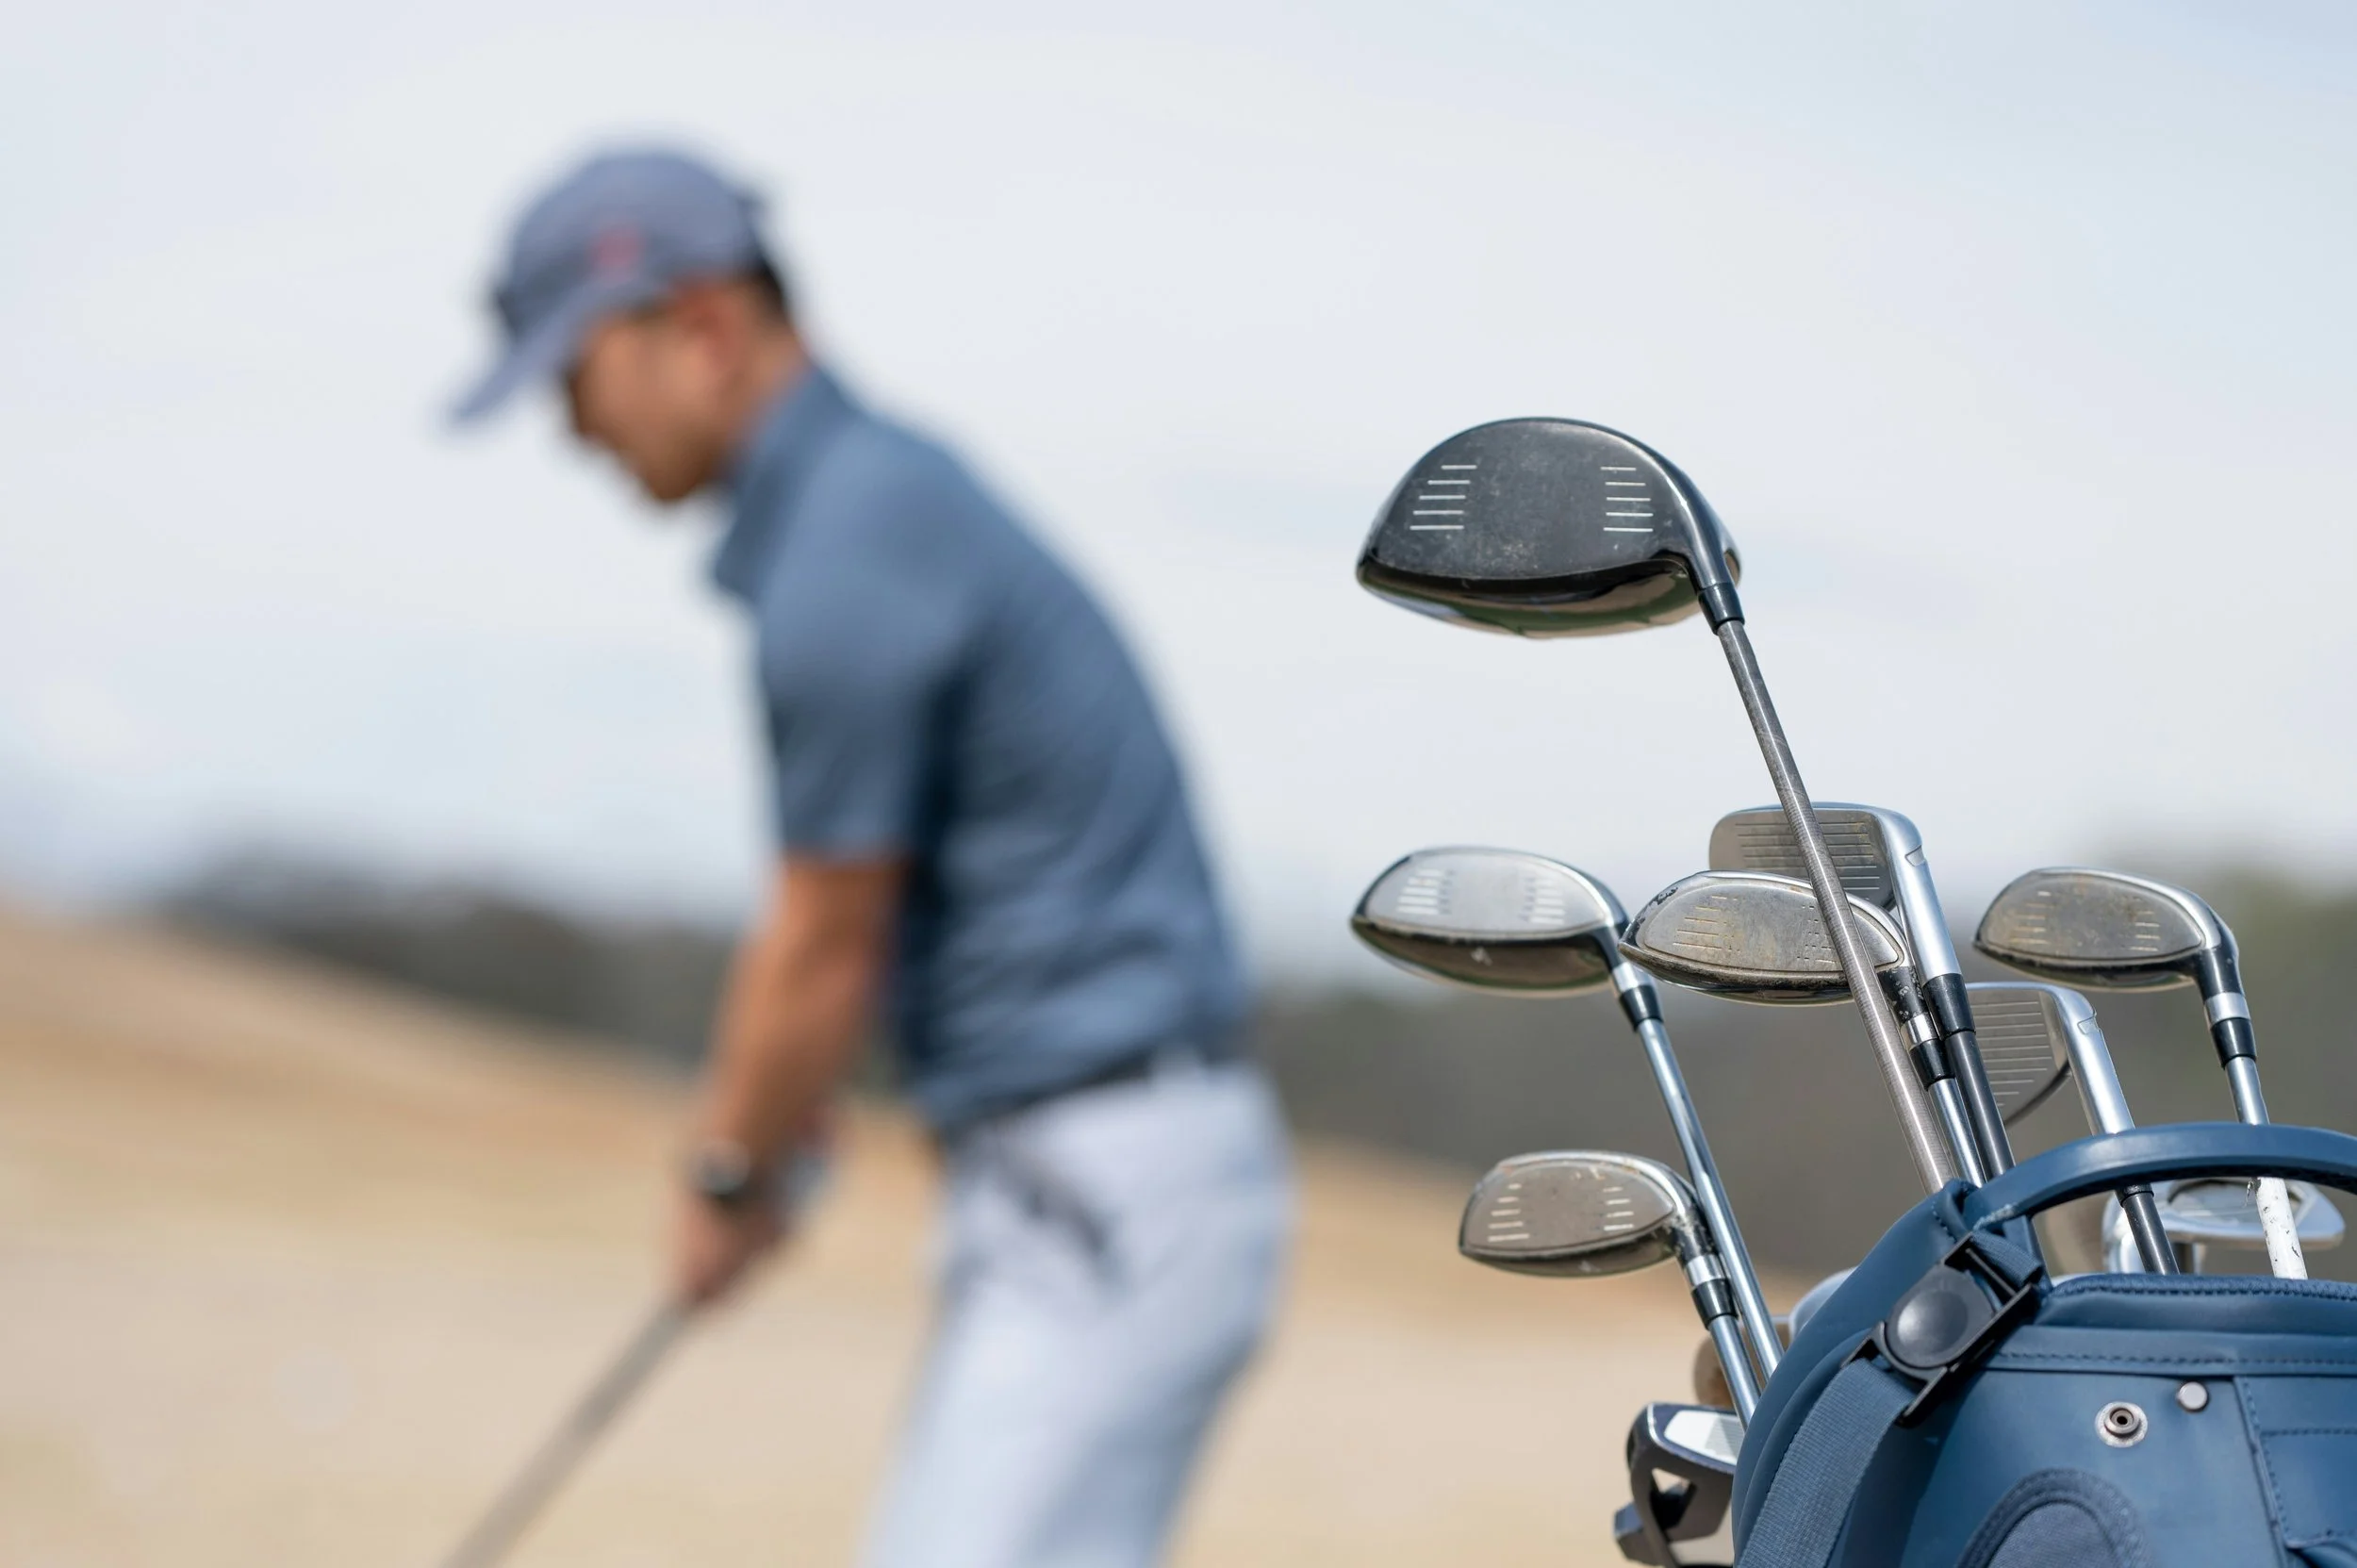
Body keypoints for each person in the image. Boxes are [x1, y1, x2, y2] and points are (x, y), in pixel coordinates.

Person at [451, 147, 1291, 1567]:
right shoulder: (870, 504)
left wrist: (728, 1176)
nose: (571, 428)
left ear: (700, 328)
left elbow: (822, 941)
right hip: (1082, 1176)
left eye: (575, 373)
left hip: (1105, 1188)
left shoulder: (849, 541)